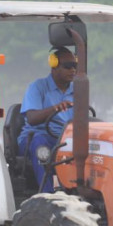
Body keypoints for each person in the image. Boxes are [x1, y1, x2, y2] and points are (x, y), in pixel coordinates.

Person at [18, 46, 78, 192]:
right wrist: (56, 108)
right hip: (39, 136)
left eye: (75, 66)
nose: (73, 70)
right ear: (54, 66)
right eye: (67, 66)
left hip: (66, 139)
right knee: (41, 145)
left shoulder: (78, 90)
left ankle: (81, 192)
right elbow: (32, 118)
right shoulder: (38, 87)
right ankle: (47, 195)